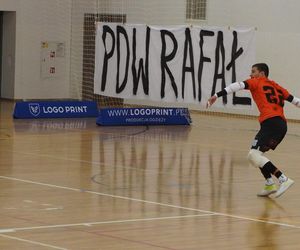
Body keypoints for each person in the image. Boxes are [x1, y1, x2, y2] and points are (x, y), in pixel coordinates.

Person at [207, 63, 299, 198]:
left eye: (253, 72)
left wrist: (216, 95)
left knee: (253, 155)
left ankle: (283, 179)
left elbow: (237, 85)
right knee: (257, 154)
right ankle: (269, 183)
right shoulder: (277, 86)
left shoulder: (256, 82)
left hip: (271, 123)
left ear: (262, 73)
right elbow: (296, 101)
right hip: (280, 125)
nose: (251, 75)